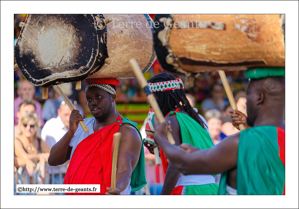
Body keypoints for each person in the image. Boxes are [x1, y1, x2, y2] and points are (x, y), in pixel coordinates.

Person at [154, 67, 285, 195]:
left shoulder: (240, 143)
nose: (245, 105)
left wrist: (161, 138)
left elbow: (184, 164)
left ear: (259, 98)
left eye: (247, 96)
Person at [48, 78, 147, 195]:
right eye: (89, 99)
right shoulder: (82, 126)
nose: (93, 102)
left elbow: (125, 169)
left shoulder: (127, 131)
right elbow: (53, 160)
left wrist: (117, 188)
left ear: (113, 96)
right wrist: (70, 132)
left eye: (98, 97)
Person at [144, 72, 218, 195]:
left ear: (161, 97)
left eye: (152, 98)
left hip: (189, 190)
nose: (149, 103)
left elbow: (175, 164)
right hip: (210, 188)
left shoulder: (170, 120)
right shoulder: (198, 117)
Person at [41, 101, 74, 184]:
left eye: (71, 115)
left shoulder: (78, 125)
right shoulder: (51, 125)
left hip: (72, 175)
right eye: (66, 115)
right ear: (59, 112)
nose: (68, 118)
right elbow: (57, 156)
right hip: (55, 176)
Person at [14, 113, 50, 184]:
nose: (28, 128)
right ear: (21, 126)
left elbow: (52, 154)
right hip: (22, 183)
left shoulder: (39, 141)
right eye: (25, 125)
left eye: (32, 126)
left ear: (37, 127)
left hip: (38, 182)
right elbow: (25, 157)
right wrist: (41, 156)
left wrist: (43, 158)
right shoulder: (16, 140)